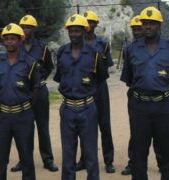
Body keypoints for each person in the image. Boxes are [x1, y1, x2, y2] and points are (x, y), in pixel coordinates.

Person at [121, 7, 169, 180]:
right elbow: (130, 81)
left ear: (159, 26)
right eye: (145, 24)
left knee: (167, 154)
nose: (148, 27)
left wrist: (163, 98)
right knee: (138, 154)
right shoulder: (131, 50)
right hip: (140, 108)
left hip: (165, 108)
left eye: (152, 24)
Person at [54, 14, 108, 180]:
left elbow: (100, 78)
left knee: (90, 151)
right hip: (68, 108)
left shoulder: (94, 53)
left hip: (87, 109)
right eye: (71, 31)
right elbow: (59, 77)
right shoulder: (62, 52)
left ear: (85, 31)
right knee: (68, 152)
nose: (74, 34)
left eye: (77, 31)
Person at [0, 23, 40, 180]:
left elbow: (36, 90)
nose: (10, 42)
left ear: (21, 40)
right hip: (2, 116)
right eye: (7, 39)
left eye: (13, 39)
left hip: (23, 116)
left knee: (26, 157)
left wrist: (22, 106)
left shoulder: (30, 63)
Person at [10, 14, 58, 173]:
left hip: (40, 93)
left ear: (34, 29)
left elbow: (49, 67)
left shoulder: (42, 48)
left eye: (28, 27)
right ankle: (24, 160)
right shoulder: (17, 47)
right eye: (23, 27)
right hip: (23, 93)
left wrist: (38, 81)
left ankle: (48, 159)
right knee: (24, 128)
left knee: (42, 127)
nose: (25, 30)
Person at [75, 10, 115, 173]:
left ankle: (108, 160)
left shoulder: (103, 43)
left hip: (99, 87)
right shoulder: (77, 43)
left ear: (95, 24)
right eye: (85, 22)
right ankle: (84, 159)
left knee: (104, 124)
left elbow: (107, 66)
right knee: (83, 125)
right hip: (83, 88)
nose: (87, 25)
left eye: (90, 22)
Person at [121, 15, 161, 176]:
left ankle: (161, 160)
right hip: (136, 97)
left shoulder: (160, 47)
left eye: (139, 29)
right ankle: (133, 162)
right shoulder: (130, 50)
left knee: (159, 133)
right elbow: (129, 78)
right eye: (135, 29)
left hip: (158, 101)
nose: (137, 32)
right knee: (136, 133)